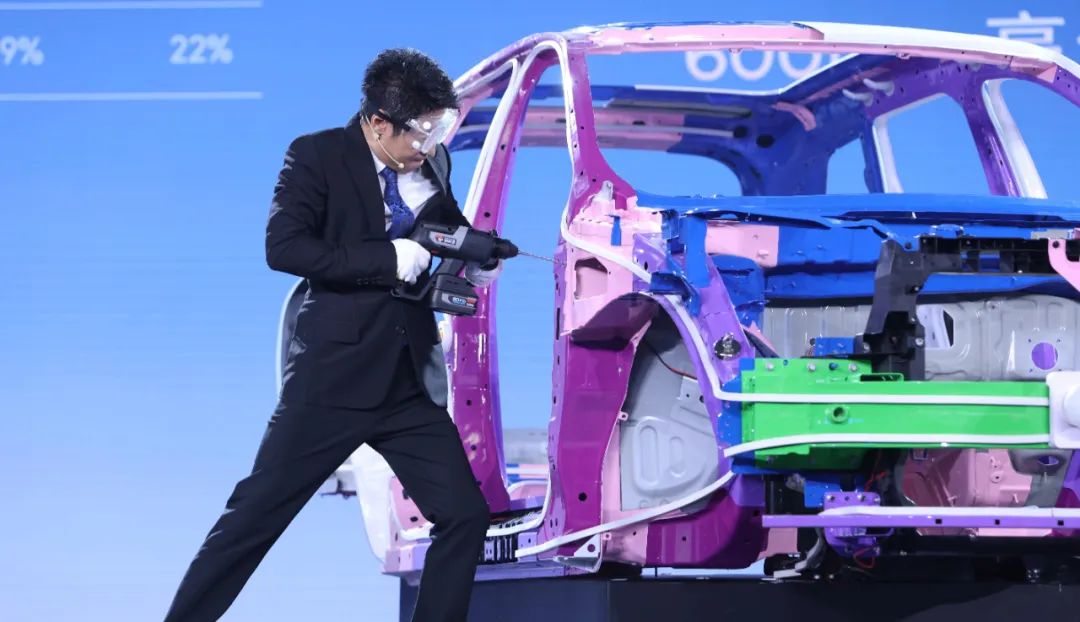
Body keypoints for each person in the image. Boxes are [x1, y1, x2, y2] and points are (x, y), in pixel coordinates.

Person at [164, 48, 499, 622]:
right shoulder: (315, 155)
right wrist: (387, 258)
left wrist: (477, 253)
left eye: (440, 129)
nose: (430, 143)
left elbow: (445, 226)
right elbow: (285, 248)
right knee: (253, 519)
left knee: (464, 515)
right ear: (378, 122)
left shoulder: (431, 162)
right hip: (332, 379)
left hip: (405, 382)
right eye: (423, 131)